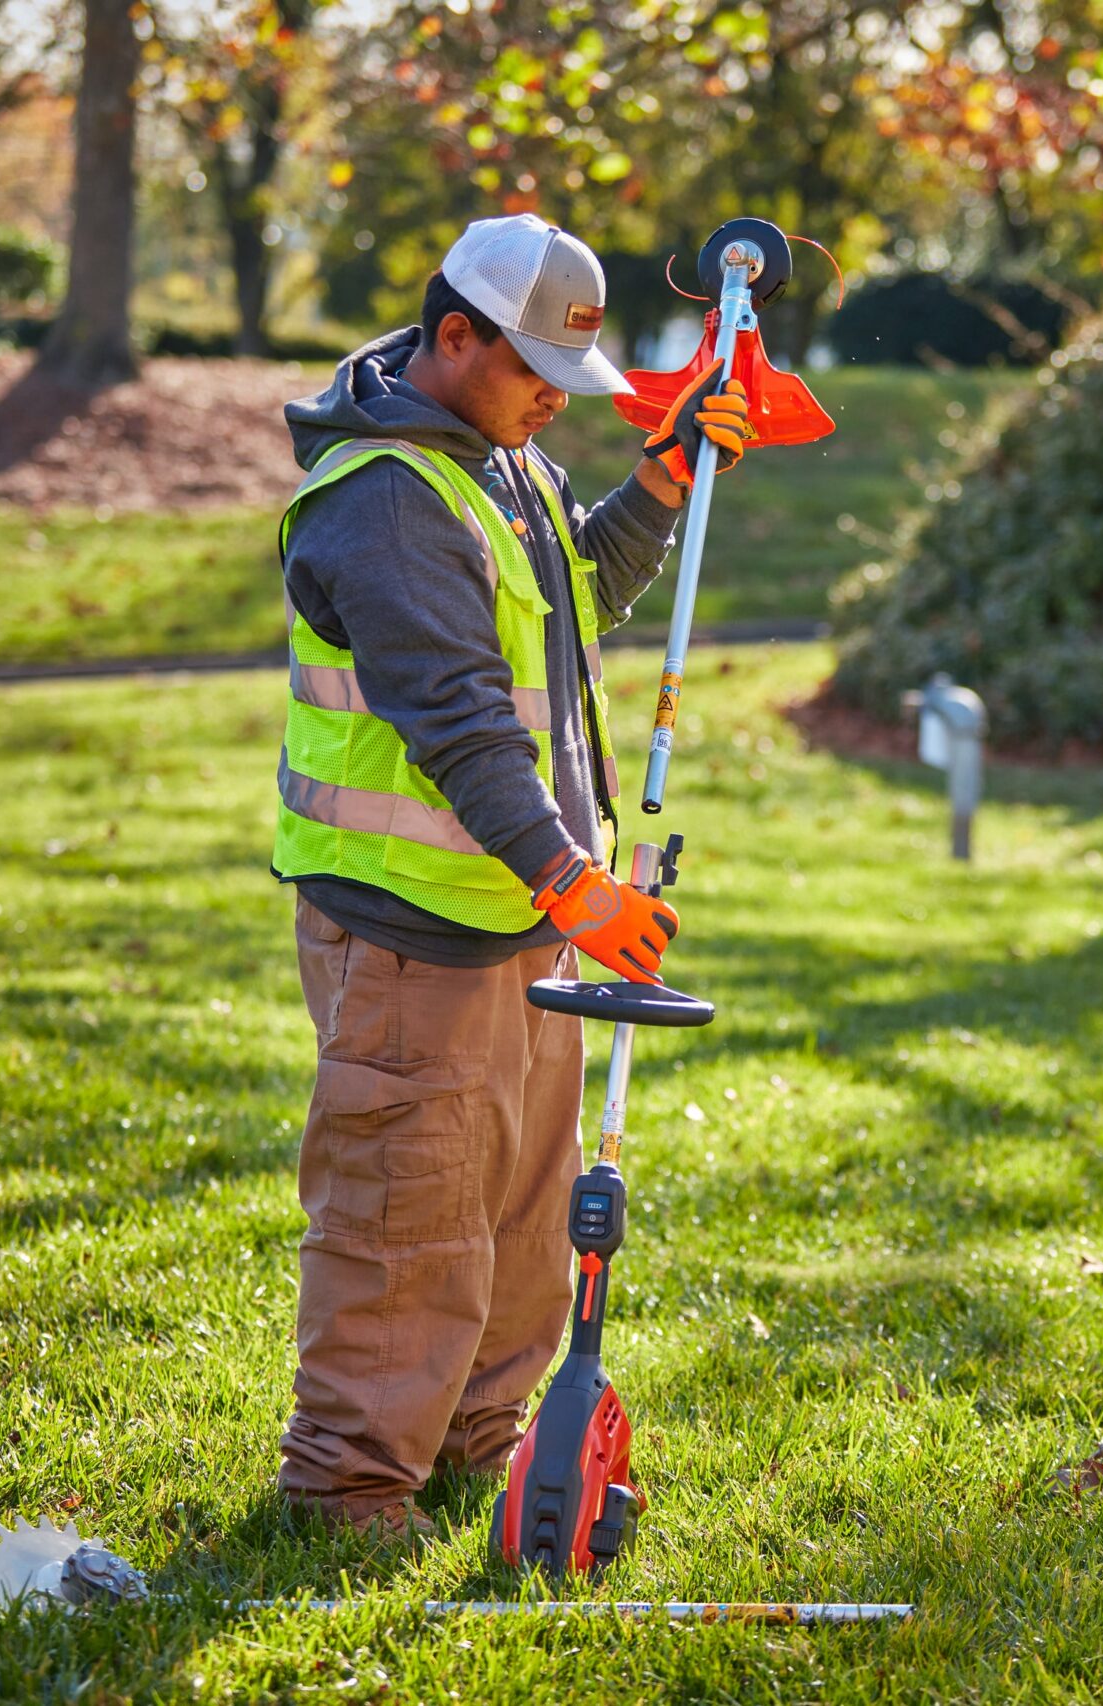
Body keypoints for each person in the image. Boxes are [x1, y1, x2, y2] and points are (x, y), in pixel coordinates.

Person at [269, 213, 750, 1543]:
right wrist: (572, 880)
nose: (554, 394)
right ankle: (351, 1486)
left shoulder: (503, 467)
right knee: (406, 1216)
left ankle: (476, 1445)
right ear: (453, 334)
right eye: (531, 364)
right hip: (415, 927)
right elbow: (460, 716)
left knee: (528, 1222)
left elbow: (574, 601)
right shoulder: (383, 501)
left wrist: (657, 485)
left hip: (519, 927)